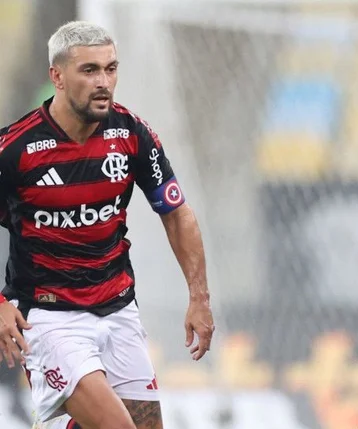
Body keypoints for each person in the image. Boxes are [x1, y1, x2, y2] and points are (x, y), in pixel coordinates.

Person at [0, 21, 215, 429]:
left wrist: (199, 296)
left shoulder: (131, 133)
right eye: (90, 70)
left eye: (110, 68)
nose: (104, 82)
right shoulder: (16, 149)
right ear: (57, 77)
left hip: (118, 310)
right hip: (49, 319)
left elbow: (176, 213)